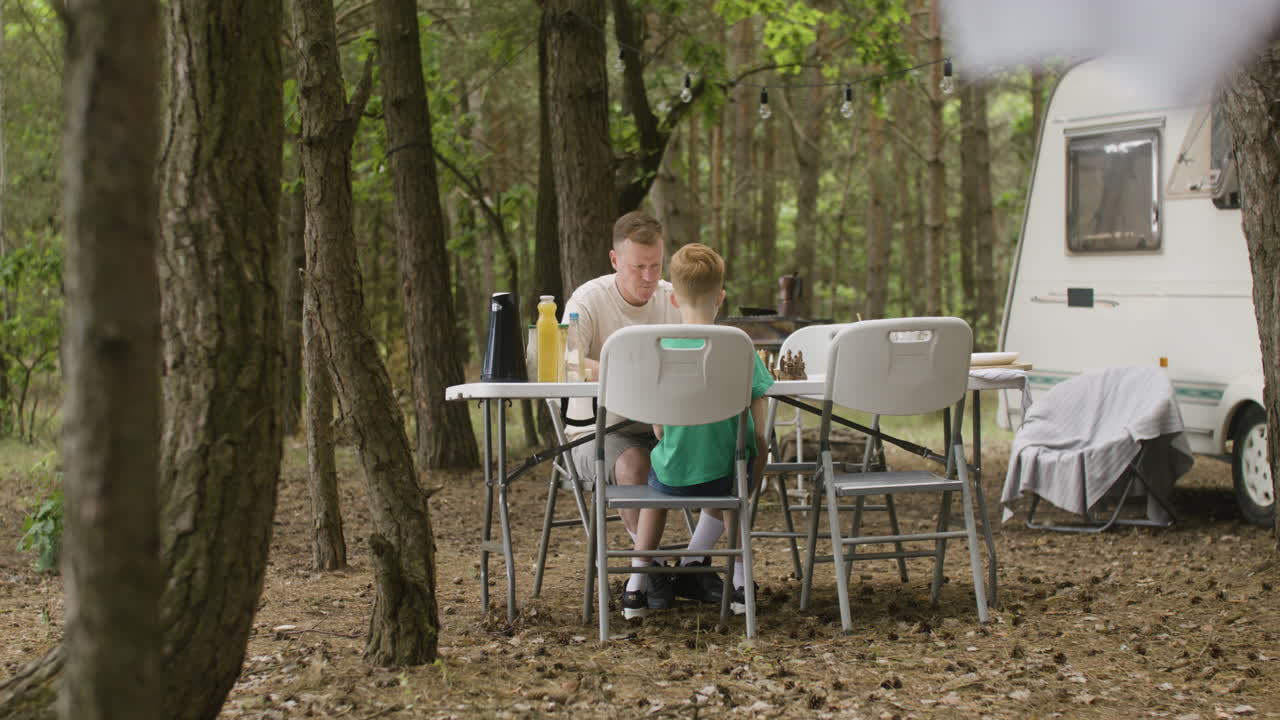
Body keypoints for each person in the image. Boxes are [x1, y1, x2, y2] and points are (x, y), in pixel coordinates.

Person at [620, 243, 772, 619]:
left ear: (673, 299)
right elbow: (760, 427)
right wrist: (758, 462)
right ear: (721, 297)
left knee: (656, 490)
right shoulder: (740, 348)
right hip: (725, 473)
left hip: (673, 471)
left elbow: (657, 429)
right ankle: (738, 587)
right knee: (735, 483)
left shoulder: (661, 348)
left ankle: (635, 589)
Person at [563, 211, 681, 546]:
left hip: (666, 427)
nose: (648, 277)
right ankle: (649, 571)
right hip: (597, 429)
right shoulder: (587, 300)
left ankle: (697, 558)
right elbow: (567, 362)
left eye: (656, 266)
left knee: (721, 452)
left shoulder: (672, 297)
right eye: (638, 267)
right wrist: (626, 374)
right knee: (635, 464)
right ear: (615, 260)